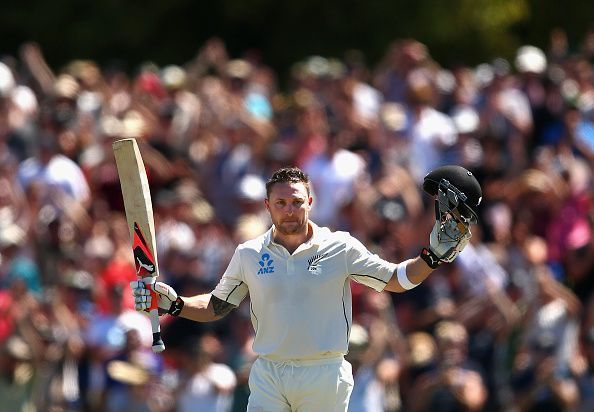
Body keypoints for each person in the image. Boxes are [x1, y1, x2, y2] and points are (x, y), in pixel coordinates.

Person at [131, 165, 480, 411]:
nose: (289, 210)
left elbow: (397, 279)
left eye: (297, 201)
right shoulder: (249, 253)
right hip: (270, 371)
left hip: (324, 373)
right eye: (281, 203)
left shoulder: (340, 246)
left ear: (310, 202)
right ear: (267, 206)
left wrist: (431, 258)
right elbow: (216, 306)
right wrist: (174, 304)